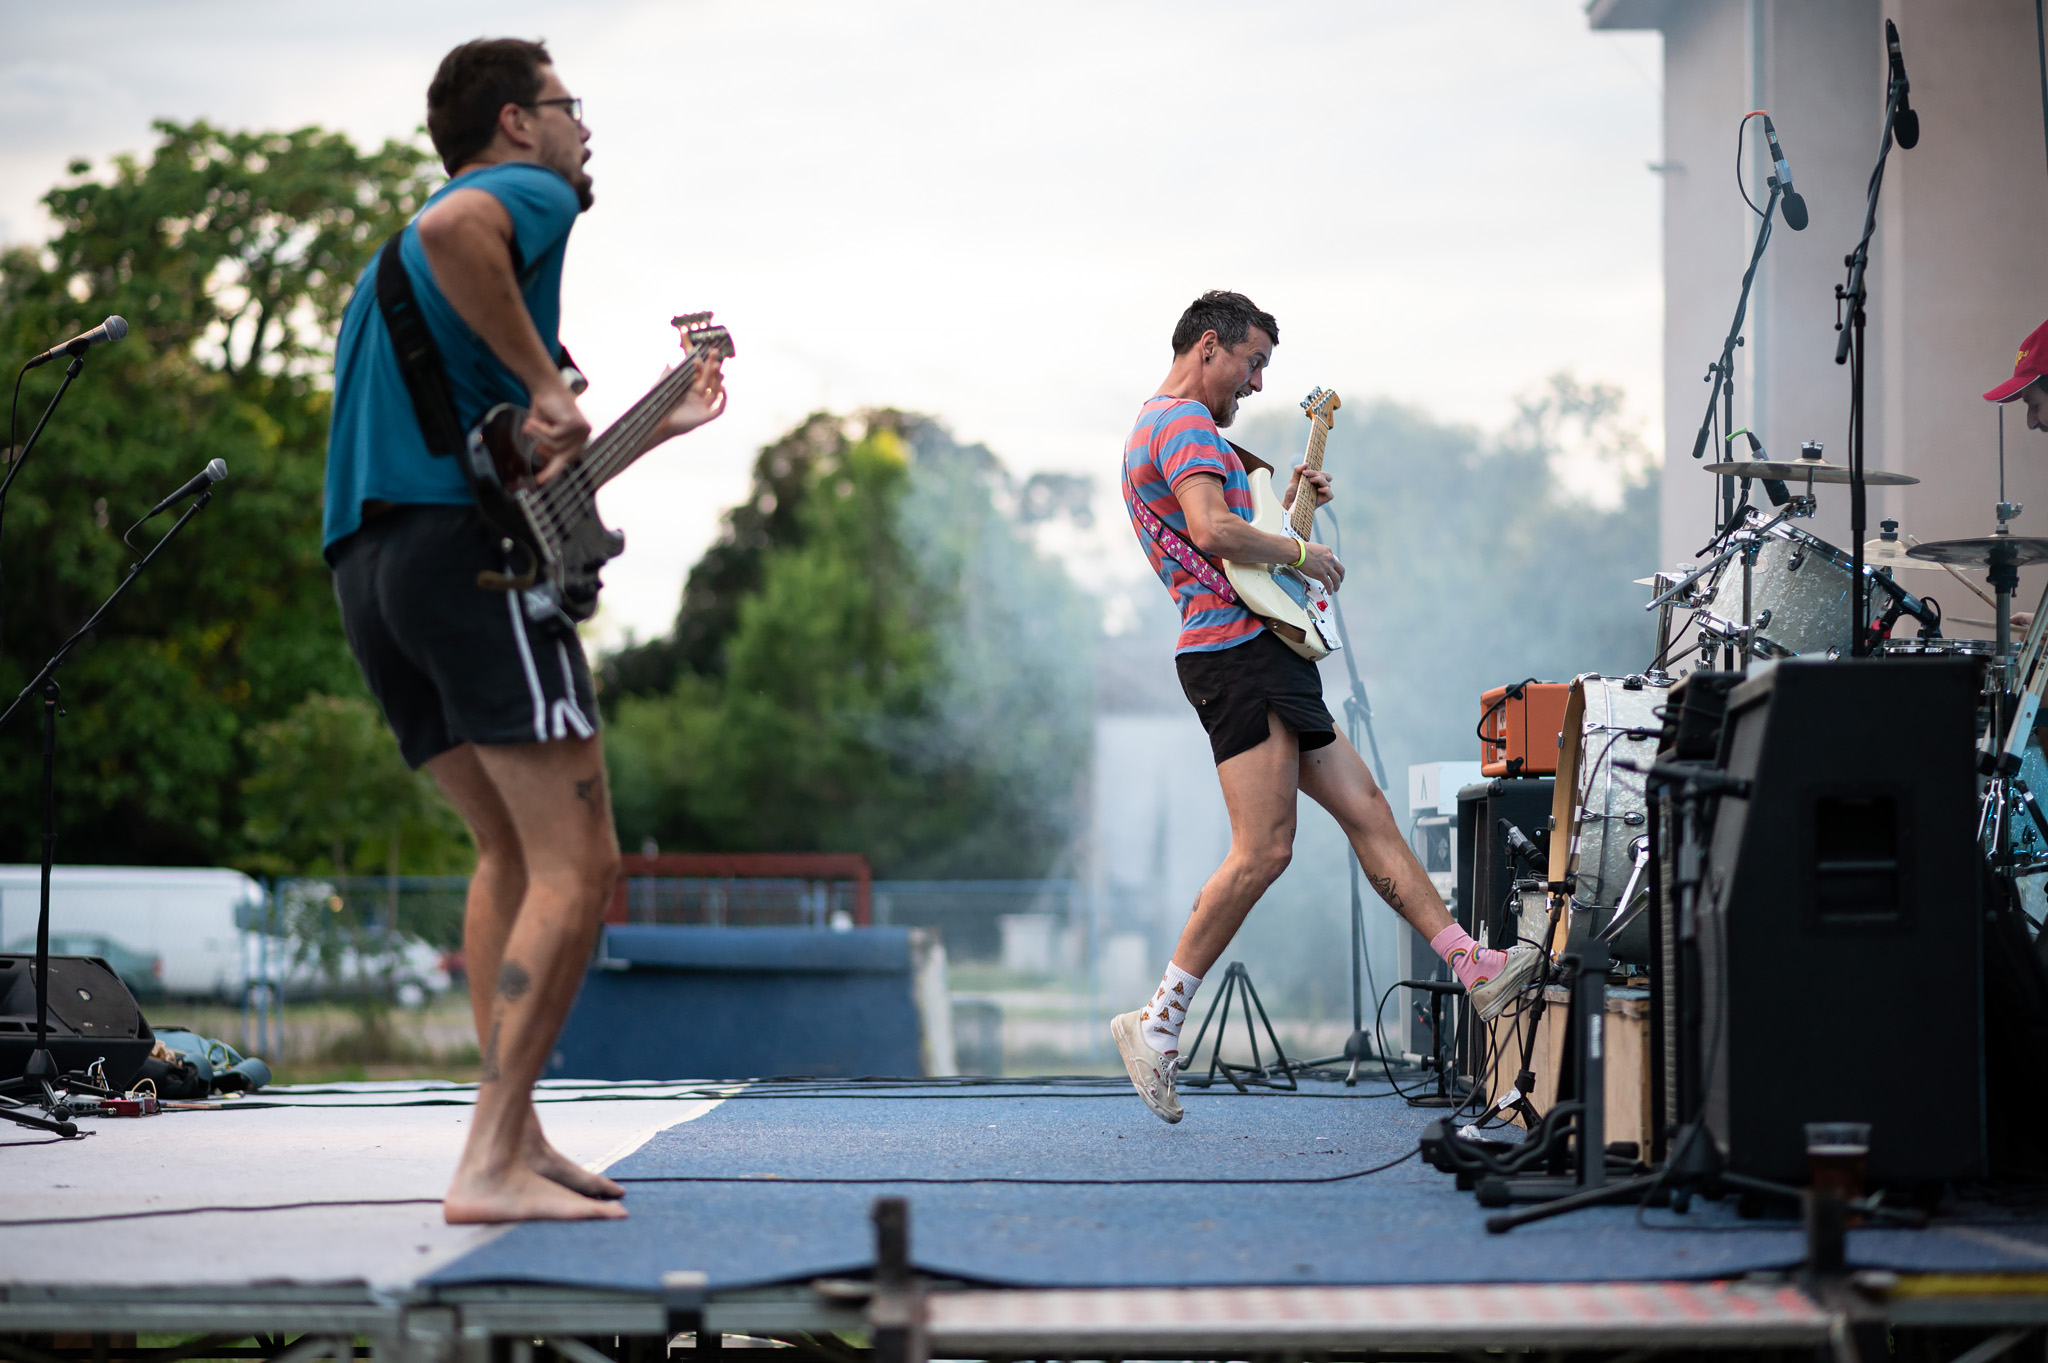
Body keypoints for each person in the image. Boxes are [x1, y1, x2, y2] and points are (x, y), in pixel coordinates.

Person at [321, 38, 727, 1221]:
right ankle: (488, 1157)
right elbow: (465, 243)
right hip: (467, 566)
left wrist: (644, 426)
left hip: (374, 564)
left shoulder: (401, 281)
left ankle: (515, 1130)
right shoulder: (507, 205)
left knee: (508, 851)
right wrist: (550, 390)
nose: (582, 131)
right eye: (568, 107)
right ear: (514, 121)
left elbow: (524, 472)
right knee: (582, 861)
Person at [1110, 290, 1538, 1124]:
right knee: (1264, 849)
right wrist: (1307, 548)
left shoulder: (1176, 431)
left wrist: (1286, 509)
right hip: (1235, 654)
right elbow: (1214, 533)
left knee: (1368, 808)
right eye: (1253, 361)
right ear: (1209, 346)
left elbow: (1243, 535)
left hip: (1258, 648)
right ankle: (1156, 1023)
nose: (1259, 382)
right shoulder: (1184, 423)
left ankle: (1473, 967)